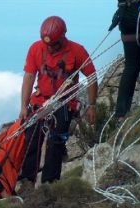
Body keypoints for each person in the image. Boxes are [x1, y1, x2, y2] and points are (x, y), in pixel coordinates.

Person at [18, 16, 98, 188]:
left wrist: (92, 105)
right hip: (40, 102)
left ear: (63, 36)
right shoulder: (36, 48)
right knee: (31, 141)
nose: (51, 47)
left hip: (64, 104)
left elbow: (92, 77)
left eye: (54, 44)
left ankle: (50, 184)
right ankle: (27, 182)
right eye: (48, 45)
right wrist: (24, 107)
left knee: (55, 144)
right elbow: (29, 76)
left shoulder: (77, 51)